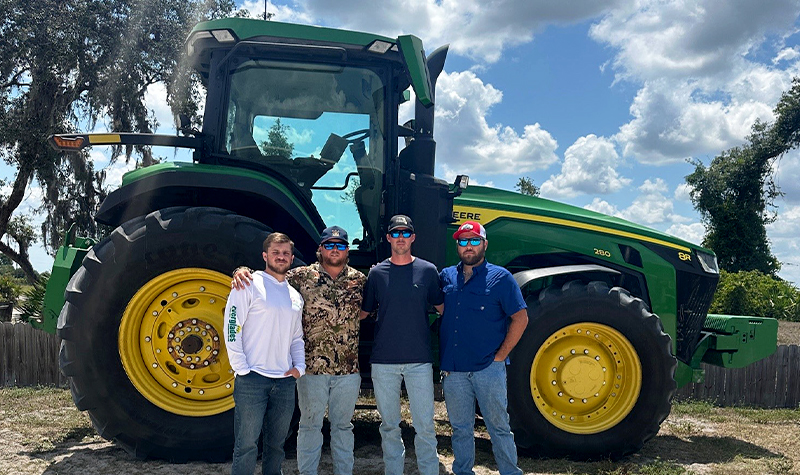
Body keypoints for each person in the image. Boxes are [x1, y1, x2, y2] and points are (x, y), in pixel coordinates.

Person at [232, 226, 366, 475]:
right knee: (309, 425)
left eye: (339, 245)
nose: (334, 250)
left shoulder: (360, 280)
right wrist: (241, 271)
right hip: (312, 369)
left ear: (347, 250)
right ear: (320, 249)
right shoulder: (301, 276)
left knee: (343, 427)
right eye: (329, 245)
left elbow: (368, 311)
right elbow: (271, 277)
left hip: (348, 369)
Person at [438, 221, 528, 475]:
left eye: (474, 240)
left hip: (488, 368)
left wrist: (501, 356)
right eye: (463, 241)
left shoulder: (501, 278)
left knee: (498, 426)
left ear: (485, 244)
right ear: (457, 245)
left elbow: (520, 318)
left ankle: (510, 471)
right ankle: (463, 471)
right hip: (454, 370)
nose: (468, 246)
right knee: (460, 428)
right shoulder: (446, 276)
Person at [359, 214, 444, 475]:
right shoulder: (376, 273)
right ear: (388, 238)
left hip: (419, 361)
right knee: (389, 426)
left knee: (425, 426)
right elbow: (363, 312)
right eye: (395, 233)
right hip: (384, 362)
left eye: (406, 233)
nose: (400, 238)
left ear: (413, 237)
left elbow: (442, 309)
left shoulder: (428, 271)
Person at [224, 232, 306, 475]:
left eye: (285, 253)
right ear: (265, 256)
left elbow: (296, 337)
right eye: (275, 253)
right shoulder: (248, 283)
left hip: (284, 382)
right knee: (246, 446)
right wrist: (241, 368)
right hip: (253, 379)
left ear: (291, 258)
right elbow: (231, 325)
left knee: (276, 446)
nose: (280, 257)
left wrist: (298, 368)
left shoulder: (295, 296)